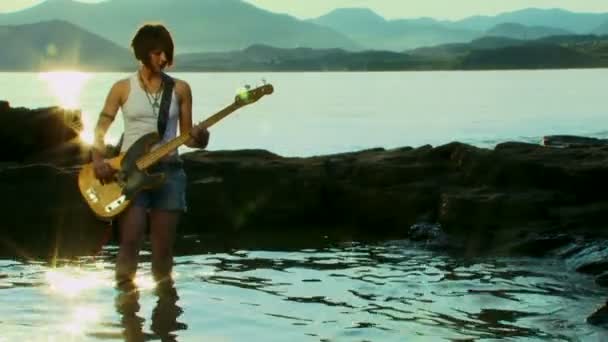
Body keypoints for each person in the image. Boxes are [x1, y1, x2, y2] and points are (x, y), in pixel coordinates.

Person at [91, 24, 209, 287]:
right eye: (157, 53)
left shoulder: (180, 89)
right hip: (131, 175)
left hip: (169, 173)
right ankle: (127, 315)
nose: (164, 59)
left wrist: (202, 138)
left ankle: (165, 318)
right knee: (129, 243)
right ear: (142, 53)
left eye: (166, 53)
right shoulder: (122, 88)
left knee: (164, 250)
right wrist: (98, 160)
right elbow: (100, 129)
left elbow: (188, 137)